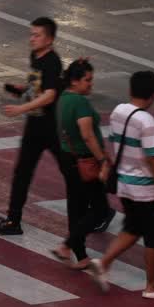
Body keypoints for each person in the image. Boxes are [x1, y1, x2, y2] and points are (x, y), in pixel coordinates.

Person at [89, 71, 154, 299]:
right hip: (147, 188)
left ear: (131, 90)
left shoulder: (119, 112)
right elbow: (153, 158)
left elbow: (114, 142)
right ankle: (152, 286)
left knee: (133, 228)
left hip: (125, 184)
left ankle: (104, 263)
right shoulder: (147, 122)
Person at [0, 17, 81, 237]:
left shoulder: (51, 62)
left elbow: (49, 96)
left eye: (37, 35)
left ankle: (99, 210)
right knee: (23, 172)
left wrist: (21, 108)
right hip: (35, 126)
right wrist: (22, 90)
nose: (32, 38)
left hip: (50, 127)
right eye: (31, 34)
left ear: (50, 39)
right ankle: (13, 219)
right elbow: (39, 87)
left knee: (70, 171)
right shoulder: (36, 57)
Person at [52, 59, 111, 269]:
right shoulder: (80, 103)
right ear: (75, 82)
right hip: (85, 161)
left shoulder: (63, 99)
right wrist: (103, 159)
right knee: (100, 210)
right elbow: (87, 135)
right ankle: (66, 245)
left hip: (68, 158)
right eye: (87, 80)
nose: (91, 84)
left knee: (75, 208)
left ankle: (81, 256)